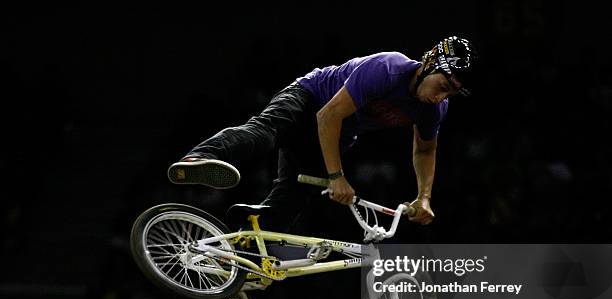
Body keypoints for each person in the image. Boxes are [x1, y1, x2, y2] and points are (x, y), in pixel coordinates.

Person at [168, 36, 477, 231]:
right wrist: (335, 175)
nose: (441, 97)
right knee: (265, 134)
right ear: (429, 63)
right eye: (443, 86)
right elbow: (327, 114)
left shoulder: (432, 109)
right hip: (309, 98)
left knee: (292, 201)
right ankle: (201, 157)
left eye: (450, 94)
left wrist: (424, 197)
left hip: (335, 132)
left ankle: (238, 254)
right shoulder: (387, 68)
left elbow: (424, 150)